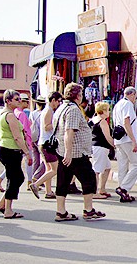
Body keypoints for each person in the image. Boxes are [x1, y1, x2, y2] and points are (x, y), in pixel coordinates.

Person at [52, 82, 105, 221]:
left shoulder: (61, 107)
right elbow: (69, 131)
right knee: (88, 179)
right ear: (78, 96)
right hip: (75, 152)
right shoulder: (73, 110)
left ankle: (61, 211)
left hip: (63, 151)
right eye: (81, 94)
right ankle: (88, 210)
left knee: (63, 181)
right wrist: (69, 153)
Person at [0, 89, 32, 219]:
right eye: (16, 99)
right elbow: (17, 137)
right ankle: (8, 209)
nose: (19, 101)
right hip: (9, 149)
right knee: (14, 178)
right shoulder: (9, 115)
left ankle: (2, 204)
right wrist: (27, 152)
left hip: (6, 148)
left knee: (17, 177)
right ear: (8, 101)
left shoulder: (5, 113)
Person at [29, 91, 63, 199]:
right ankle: (36, 184)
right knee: (55, 169)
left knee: (49, 168)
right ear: (53, 100)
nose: (58, 103)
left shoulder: (47, 110)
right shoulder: (48, 111)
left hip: (44, 143)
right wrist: (57, 124)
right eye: (58, 101)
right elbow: (46, 126)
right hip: (47, 144)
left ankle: (48, 191)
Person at [113, 86, 137, 202]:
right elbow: (127, 122)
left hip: (119, 140)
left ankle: (124, 192)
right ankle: (124, 188)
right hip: (127, 140)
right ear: (132, 95)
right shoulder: (127, 104)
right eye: (135, 97)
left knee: (123, 166)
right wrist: (134, 140)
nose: (135, 99)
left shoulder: (118, 104)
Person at [88, 102, 115, 199]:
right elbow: (107, 136)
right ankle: (94, 191)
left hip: (95, 146)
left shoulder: (93, 120)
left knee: (107, 167)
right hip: (101, 147)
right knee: (97, 169)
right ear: (103, 111)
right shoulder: (103, 122)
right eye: (107, 110)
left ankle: (102, 188)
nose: (109, 112)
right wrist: (115, 145)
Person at [30, 95, 46, 184]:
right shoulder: (44, 113)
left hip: (33, 137)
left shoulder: (33, 113)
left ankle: (34, 177)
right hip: (40, 138)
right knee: (45, 160)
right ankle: (38, 177)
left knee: (36, 160)